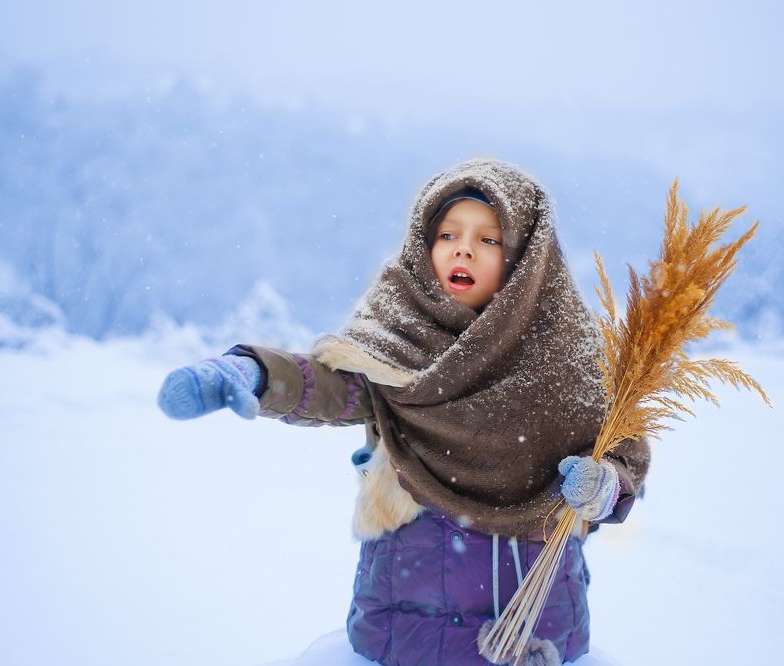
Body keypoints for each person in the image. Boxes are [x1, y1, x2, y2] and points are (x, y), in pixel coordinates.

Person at [158, 158, 651, 666]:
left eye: (488, 239)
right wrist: (256, 374)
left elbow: (624, 451)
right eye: (447, 234)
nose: (462, 248)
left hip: (540, 634)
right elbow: (331, 384)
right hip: (406, 638)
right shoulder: (398, 337)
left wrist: (604, 487)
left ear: (528, 256)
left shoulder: (569, 358)